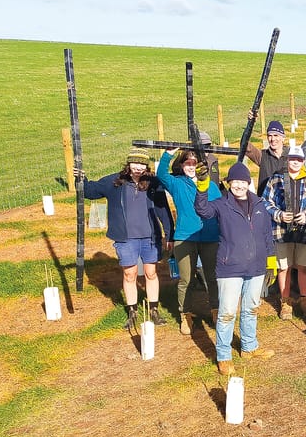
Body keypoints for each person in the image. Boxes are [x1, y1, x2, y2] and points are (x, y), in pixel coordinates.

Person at [194, 162, 276, 376]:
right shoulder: (221, 204)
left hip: (256, 267)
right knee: (227, 313)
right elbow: (202, 210)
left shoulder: (260, 205)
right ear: (229, 183)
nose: (239, 186)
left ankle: (249, 347)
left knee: (251, 309)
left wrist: (271, 262)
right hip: (230, 267)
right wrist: (202, 185)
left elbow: (267, 234)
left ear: (248, 183)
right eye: (235, 182)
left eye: (242, 182)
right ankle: (223, 356)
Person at [79, 149, 173, 329]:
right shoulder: (114, 182)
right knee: (129, 274)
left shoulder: (153, 184)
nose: (138, 168)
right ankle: (132, 311)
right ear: (129, 163)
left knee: (151, 273)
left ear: (146, 166)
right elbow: (90, 191)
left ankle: (153, 309)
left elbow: (163, 209)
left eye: (142, 164)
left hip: (150, 237)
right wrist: (81, 179)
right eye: (135, 163)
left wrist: (169, 233)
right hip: (126, 238)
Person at [156, 147, 220, 334]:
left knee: (212, 277)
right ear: (182, 165)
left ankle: (216, 309)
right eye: (187, 163)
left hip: (210, 237)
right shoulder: (177, 184)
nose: (191, 167)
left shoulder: (211, 186)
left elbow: (219, 210)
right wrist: (168, 154)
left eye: (194, 163)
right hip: (185, 238)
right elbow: (161, 174)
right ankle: (185, 314)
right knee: (186, 279)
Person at [263, 146, 306, 321]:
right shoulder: (275, 180)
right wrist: (279, 215)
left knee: (303, 267)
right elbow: (265, 202)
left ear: (303, 162)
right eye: (292, 159)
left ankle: (304, 298)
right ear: (287, 160)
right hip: (281, 232)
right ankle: (285, 301)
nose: (295, 162)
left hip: (304, 232)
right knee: (283, 267)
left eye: (299, 159)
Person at [245, 119, 288, 196]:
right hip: (265, 203)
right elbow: (245, 145)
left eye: (276, 135)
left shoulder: (292, 156)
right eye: (270, 136)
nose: (273, 139)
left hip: (286, 203)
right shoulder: (262, 155)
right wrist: (250, 123)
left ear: (283, 138)